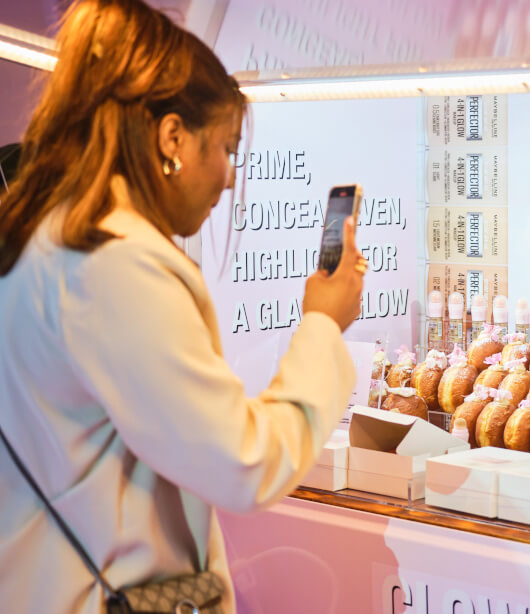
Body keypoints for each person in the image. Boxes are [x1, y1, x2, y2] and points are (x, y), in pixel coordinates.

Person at [0, 1, 364, 612]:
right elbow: (243, 462)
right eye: (226, 148)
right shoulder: (118, 264)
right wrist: (324, 324)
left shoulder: (39, 238)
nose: (228, 178)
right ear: (173, 138)